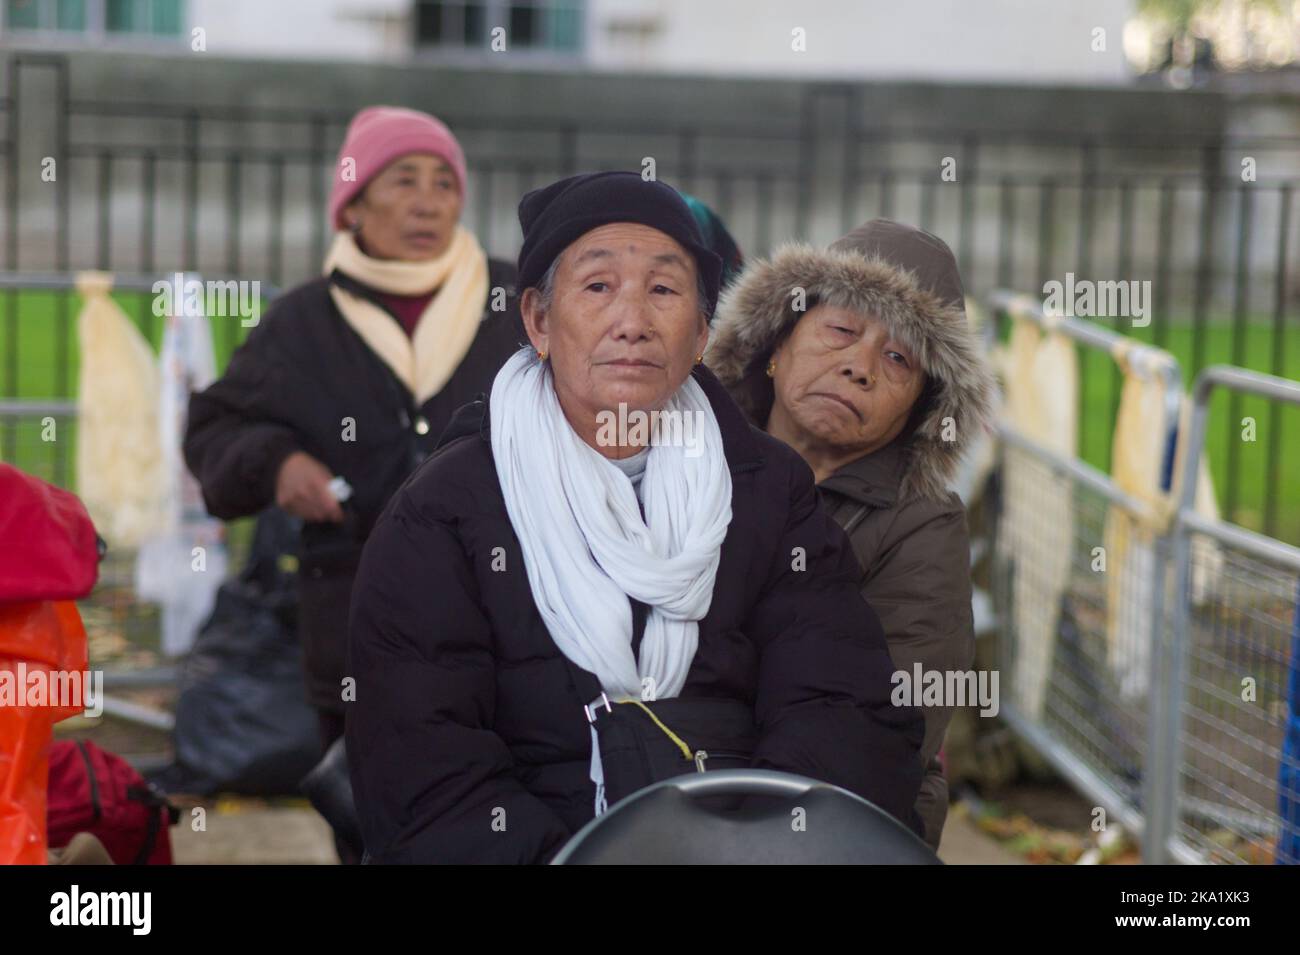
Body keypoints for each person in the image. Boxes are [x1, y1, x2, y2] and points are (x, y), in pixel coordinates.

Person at [345, 173, 925, 864]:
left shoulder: (769, 493)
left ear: (702, 331)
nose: (633, 321)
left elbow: (841, 708)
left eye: (664, 290)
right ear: (537, 320)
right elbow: (427, 773)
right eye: (597, 287)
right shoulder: (445, 512)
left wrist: (754, 847)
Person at [182, 107, 524, 812]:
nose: (428, 201)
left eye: (443, 183)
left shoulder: (514, 302)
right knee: (372, 812)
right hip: (354, 623)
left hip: (508, 610)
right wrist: (277, 463)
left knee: (499, 805)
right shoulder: (304, 321)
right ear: (354, 202)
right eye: (403, 181)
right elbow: (214, 428)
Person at [706, 218, 995, 851]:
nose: (860, 367)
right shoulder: (685, 460)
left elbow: (886, 729)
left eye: (899, 358)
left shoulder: (922, 524)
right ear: (776, 345)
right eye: (840, 330)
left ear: (921, 404)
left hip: (841, 827)